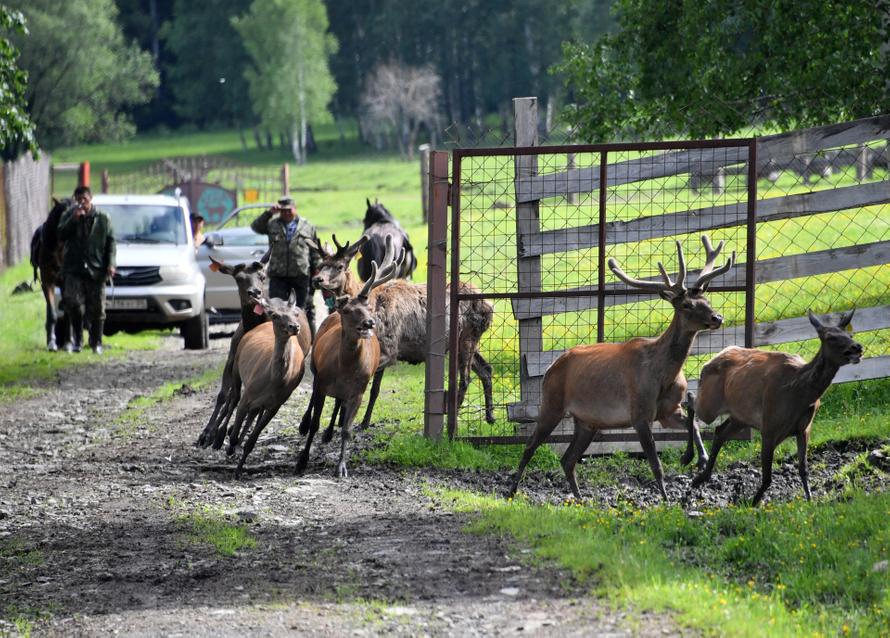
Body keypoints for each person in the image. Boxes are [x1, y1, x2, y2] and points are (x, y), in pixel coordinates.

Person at [57, 186, 116, 354]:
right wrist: (73, 220)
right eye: (78, 200)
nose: (82, 203)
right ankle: (78, 340)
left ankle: (96, 342)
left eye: (85, 199)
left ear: (91, 199)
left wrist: (111, 263)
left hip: (96, 268)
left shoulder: (103, 218)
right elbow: (60, 235)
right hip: (73, 268)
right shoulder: (69, 215)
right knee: (73, 304)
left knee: (98, 308)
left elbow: (111, 242)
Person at [251, 197, 318, 336]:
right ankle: (274, 339)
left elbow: (314, 251)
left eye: (289, 210)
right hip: (278, 275)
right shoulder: (272, 224)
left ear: (295, 208)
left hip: (301, 275)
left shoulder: (307, 226)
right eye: (283, 210)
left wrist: (316, 271)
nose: (286, 213)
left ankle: (310, 341)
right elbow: (255, 226)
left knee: (304, 310)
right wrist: (269, 213)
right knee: (276, 310)